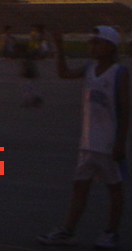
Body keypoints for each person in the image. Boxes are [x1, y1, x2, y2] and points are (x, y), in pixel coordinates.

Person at [38, 27, 129, 249]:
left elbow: (125, 110)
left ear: (110, 47)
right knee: (80, 186)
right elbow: (64, 73)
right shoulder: (90, 68)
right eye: (91, 42)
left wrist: (120, 142)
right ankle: (68, 230)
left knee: (114, 188)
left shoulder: (119, 73)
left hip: (108, 144)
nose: (92, 47)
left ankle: (111, 232)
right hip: (88, 142)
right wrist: (60, 48)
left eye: (97, 43)